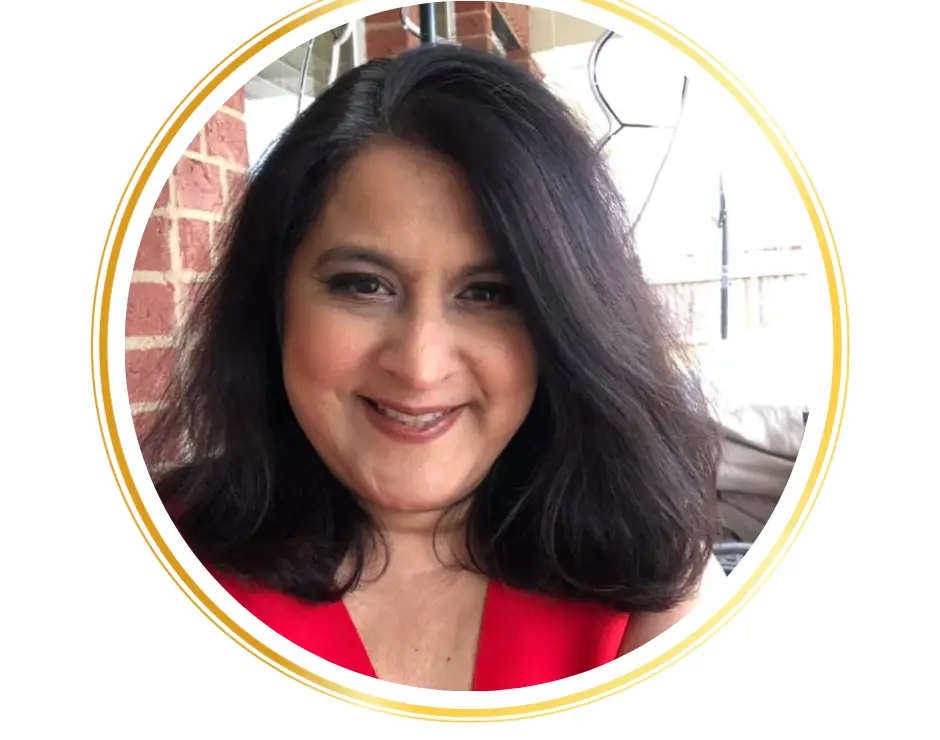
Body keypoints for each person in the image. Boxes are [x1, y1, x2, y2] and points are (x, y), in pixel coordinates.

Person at [142, 42, 725, 692]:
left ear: (561, 325)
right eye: (364, 285)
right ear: (274, 302)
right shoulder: (149, 551)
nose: (419, 366)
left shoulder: (647, 573)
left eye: (488, 294)